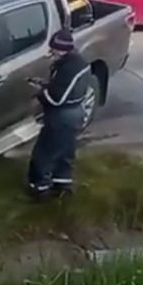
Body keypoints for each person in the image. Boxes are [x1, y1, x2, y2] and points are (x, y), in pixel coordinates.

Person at [27, 28, 92, 200]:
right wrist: (47, 84)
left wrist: (40, 91)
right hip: (74, 115)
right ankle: (62, 186)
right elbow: (64, 88)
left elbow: (57, 98)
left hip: (62, 117)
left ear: (61, 48)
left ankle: (40, 189)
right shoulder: (78, 63)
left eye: (53, 49)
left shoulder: (69, 68)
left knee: (44, 153)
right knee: (64, 152)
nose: (52, 53)